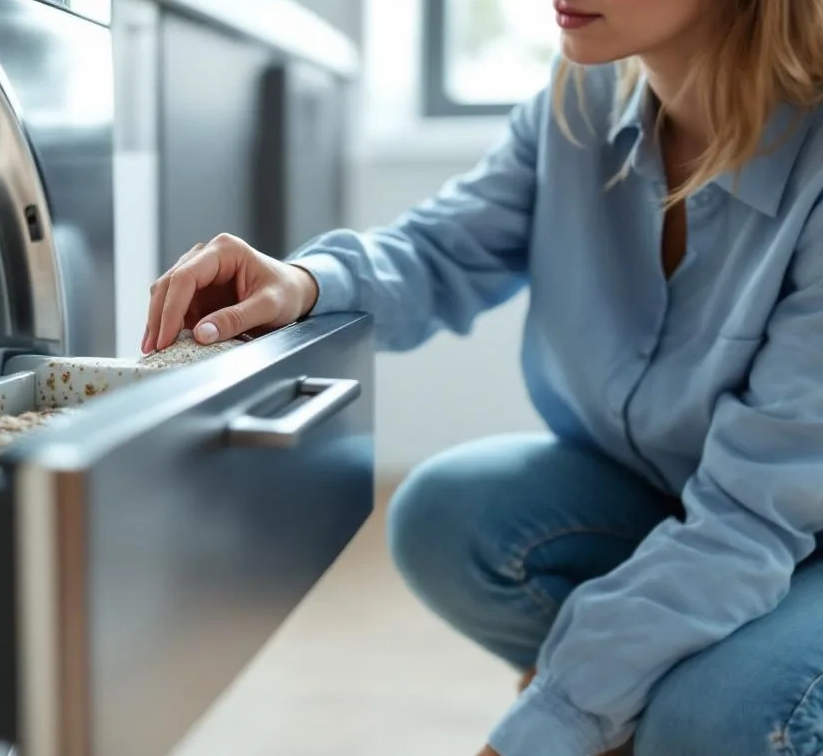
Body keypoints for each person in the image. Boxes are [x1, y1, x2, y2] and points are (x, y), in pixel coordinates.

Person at [141, 1, 823, 754]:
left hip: (796, 530)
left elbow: (753, 514)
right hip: (676, 493)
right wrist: (303, 282)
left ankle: (658, 701)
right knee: (446, 516)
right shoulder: (579, 99)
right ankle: (632, 693)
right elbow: (439, 251)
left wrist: (554, 717)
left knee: (729, 717)